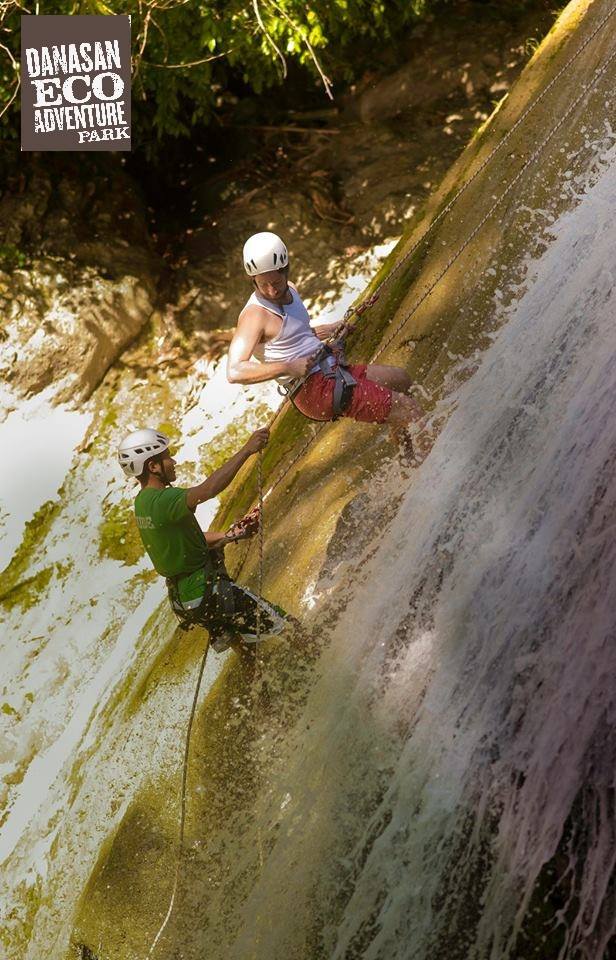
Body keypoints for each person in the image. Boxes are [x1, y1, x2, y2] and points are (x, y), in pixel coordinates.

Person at [227, 231, 431, 457]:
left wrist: (330, 329)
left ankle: (408, 459)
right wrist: (288, 367)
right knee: (409, 409)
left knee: (401, 381)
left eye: (276, 282)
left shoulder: (291, 289)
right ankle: (437, 465)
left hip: (330, 369)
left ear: (286, 269)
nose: (271, 290)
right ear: (253, 280)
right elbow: (235, 371)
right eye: (263, 285)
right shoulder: (254, 316)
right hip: (313, 390)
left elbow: (296, 336)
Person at [117, 426, 288, 654]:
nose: (173, 462)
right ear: (153, 466)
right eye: (167, 457)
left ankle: (256, 678)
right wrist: (247, 450)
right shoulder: (165, 499)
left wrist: (229, 536)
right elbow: (208, 490)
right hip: (209, 591)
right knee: (288, 628)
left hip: (189, 602)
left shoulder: (142, 503)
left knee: (248, 651)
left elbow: (186, 542)